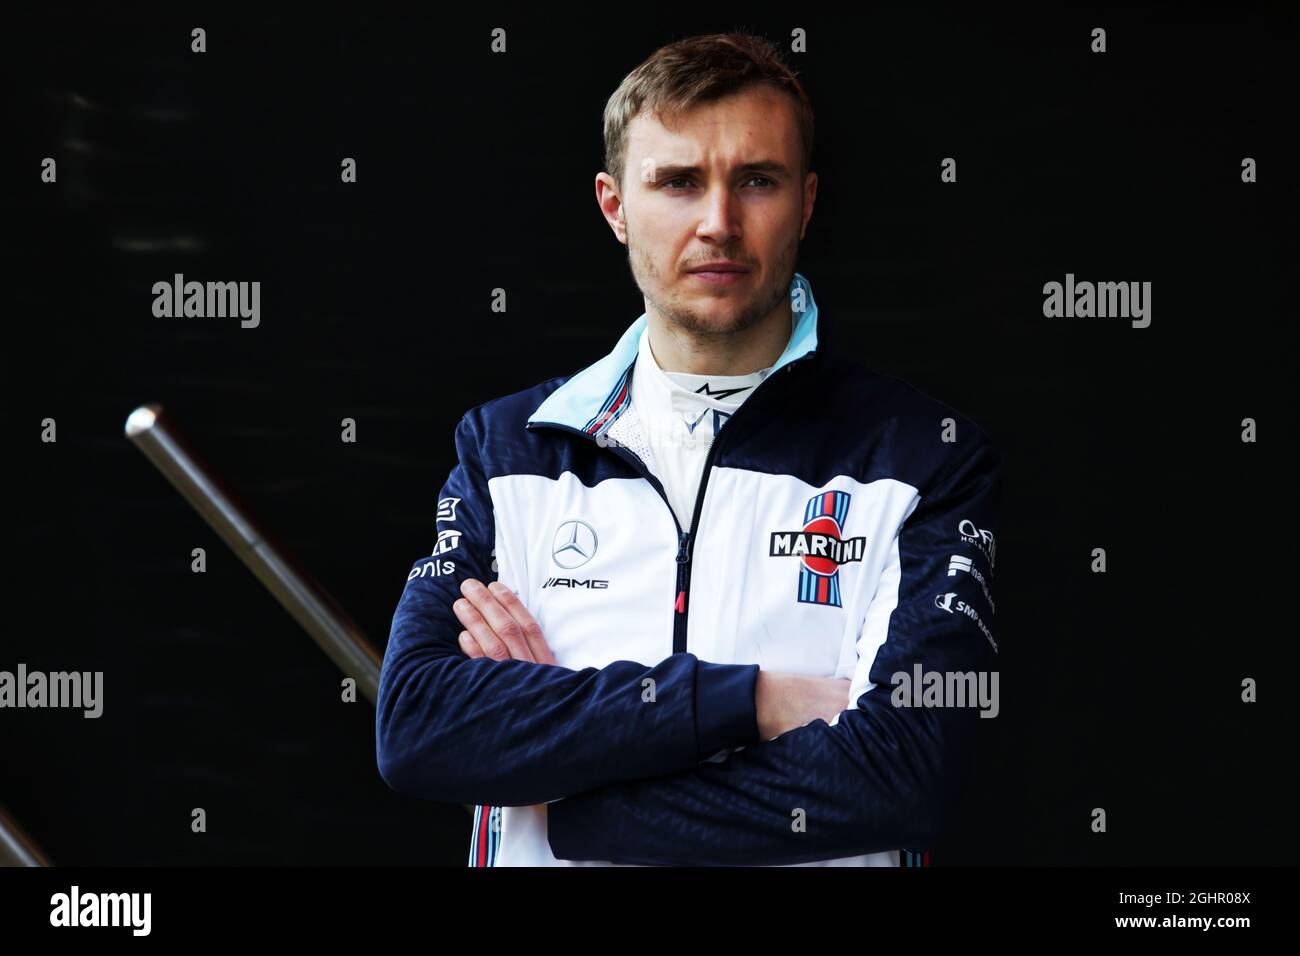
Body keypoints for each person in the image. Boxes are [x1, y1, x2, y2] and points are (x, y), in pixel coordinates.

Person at [376, 31, 1002, 867]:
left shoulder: (926, 456)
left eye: (757, 180)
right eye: (677, 182)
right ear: (614, 206)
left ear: (807, 202)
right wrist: (751, 700)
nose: (719, 222)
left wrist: (568, 793)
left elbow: (910, 773)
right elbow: (419, 727)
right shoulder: (508, 448)